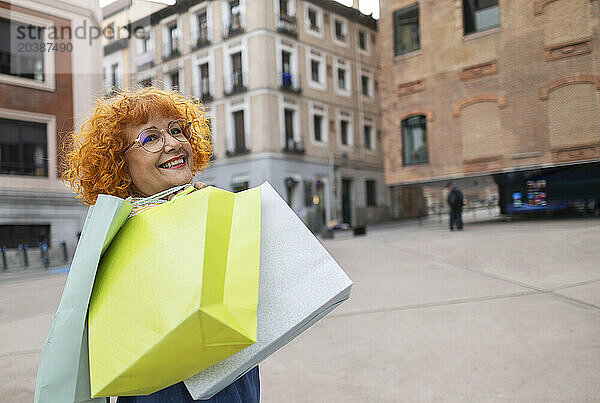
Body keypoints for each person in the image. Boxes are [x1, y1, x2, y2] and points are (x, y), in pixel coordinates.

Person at [62, 87, 260, 402]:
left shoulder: (214, 205)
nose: (172, 143)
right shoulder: (115, 238)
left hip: (233, 379)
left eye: (177, 130)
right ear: (119, 161)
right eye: (150, 138)